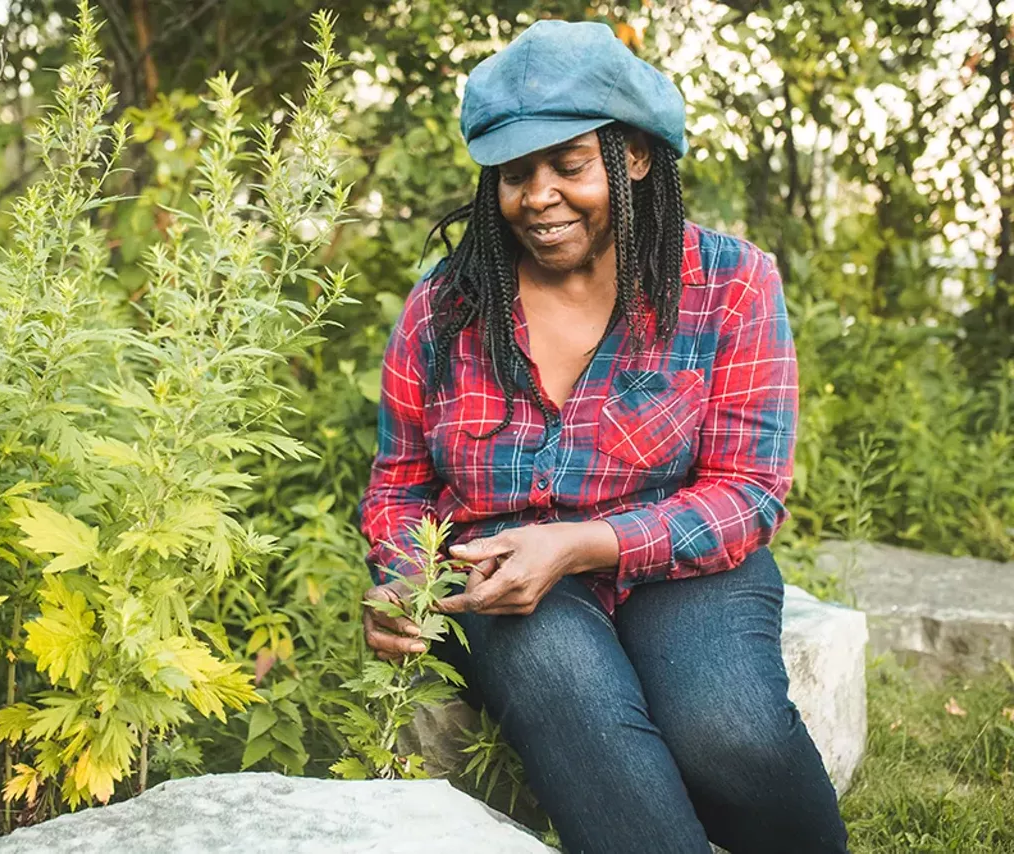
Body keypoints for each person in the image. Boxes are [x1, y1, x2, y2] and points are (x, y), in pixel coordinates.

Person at [356, 20, 850, 854]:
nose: (537, 196)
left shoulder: (729, 284)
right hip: (508, 578)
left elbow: (748, 491)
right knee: (590, 726)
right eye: (514, 173)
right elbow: (399, 483)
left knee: (730, 734)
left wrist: (585, 543)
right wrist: (403, 580)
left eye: (569, 164)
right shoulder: (445, 308)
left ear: (636, 157)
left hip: (680, 561)